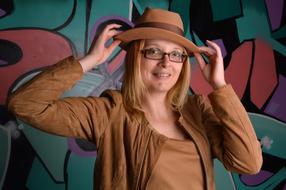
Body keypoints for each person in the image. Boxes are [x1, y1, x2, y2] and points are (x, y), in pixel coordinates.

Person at [8, 8, 262, 190]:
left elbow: (249, 163)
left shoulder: (199, 110)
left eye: (176, 55)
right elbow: (25, 105)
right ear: (136, 56)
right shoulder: (108, 113)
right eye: (154, 51)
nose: (166, 63)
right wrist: (89, 61)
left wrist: (219, 86)